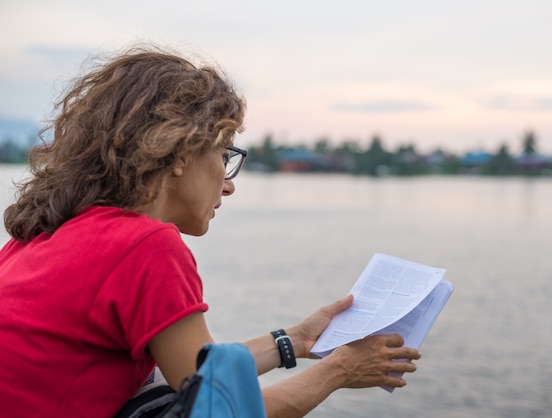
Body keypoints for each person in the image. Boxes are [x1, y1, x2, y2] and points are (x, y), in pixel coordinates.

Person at [0, 44, 421, 418]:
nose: (229, 182)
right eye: (224, 154)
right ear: (179, 152)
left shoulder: (42, 233)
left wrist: (296, 338)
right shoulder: (144, 246)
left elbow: (200, 371)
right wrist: (340, 369)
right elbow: (227, 409)